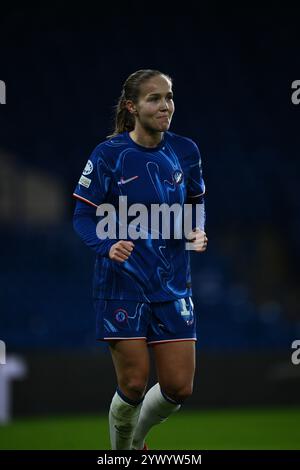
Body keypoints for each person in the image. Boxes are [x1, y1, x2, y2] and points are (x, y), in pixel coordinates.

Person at [73, 69, 208, 450]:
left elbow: (196, 202)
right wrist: (107, 245)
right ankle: (121, 455)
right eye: (155, 98)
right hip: (122, 285)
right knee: (133, 383)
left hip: (173, 284)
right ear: (132, 107)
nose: (165, 105)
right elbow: (83, 215)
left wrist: (196, 229)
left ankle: (137, 441)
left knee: (179, 388)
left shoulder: (186, 150)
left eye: (169, 97)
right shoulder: (108, 154)